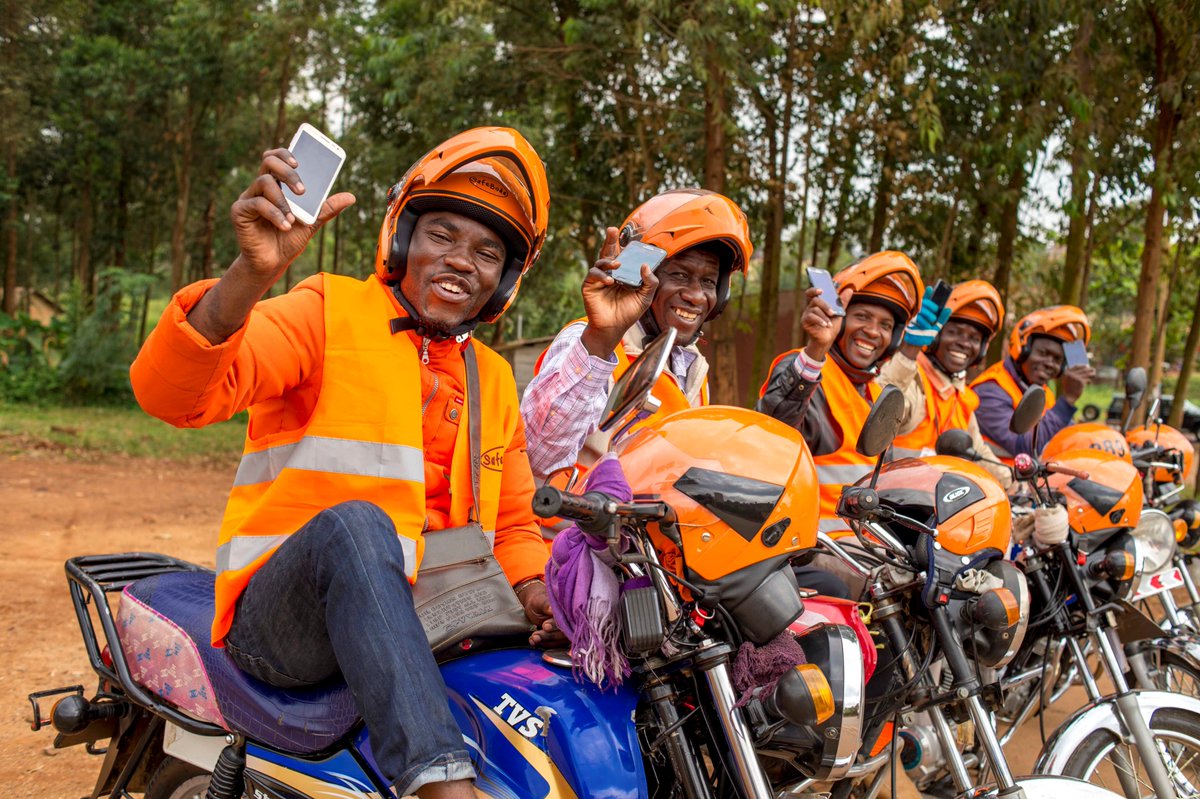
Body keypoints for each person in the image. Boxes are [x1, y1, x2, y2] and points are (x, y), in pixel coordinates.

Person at [129, 127, 561, 799]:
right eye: (442, 235)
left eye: (486, 250)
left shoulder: (495, 378)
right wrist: (251, 276)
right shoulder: (326, 311)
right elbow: (172, 396)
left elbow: (513, 528)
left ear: (503, 279)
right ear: (401, 239)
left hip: (428, 619)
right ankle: (441, 785)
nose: (461, 260)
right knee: (359, 526)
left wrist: (538, 591)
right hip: (283, 624)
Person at [521, 188, 751, 483]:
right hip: (567, 527)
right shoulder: (586, 342)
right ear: (644, 277)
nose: (696, 295)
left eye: (707, 282)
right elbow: (536, 457)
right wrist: (601, 339)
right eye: (679, 275)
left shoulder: (691, 367)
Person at [756, 252, 923, 535]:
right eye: (862, 317)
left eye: (885, 325)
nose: (873, 331)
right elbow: (774, 432)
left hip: (869, 551)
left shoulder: (875, 391)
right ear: (840, 320)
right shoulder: (803, 368)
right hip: (806, 549)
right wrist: (816, 349)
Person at [882, 280, 1012, 488]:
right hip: (893, 505)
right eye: (954, 332)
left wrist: (1016, 479)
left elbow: (979, 453)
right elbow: (879, 407)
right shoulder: (912, 379)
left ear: (981, 349)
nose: (964, 343)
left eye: (973, 338)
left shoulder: (960, 395)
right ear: (935, 338)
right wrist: (908, 352)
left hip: (941, 509)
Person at [970, 305, 1094, 463]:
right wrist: (1067, 400)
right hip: (995, 482)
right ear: (1023, 349)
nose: (1050, 363)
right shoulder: (990, 390)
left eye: (1057, 359)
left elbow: (1064, 435)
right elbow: (1023, 445)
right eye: (1043, 353)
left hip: (1033, 482)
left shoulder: (1043, 392)